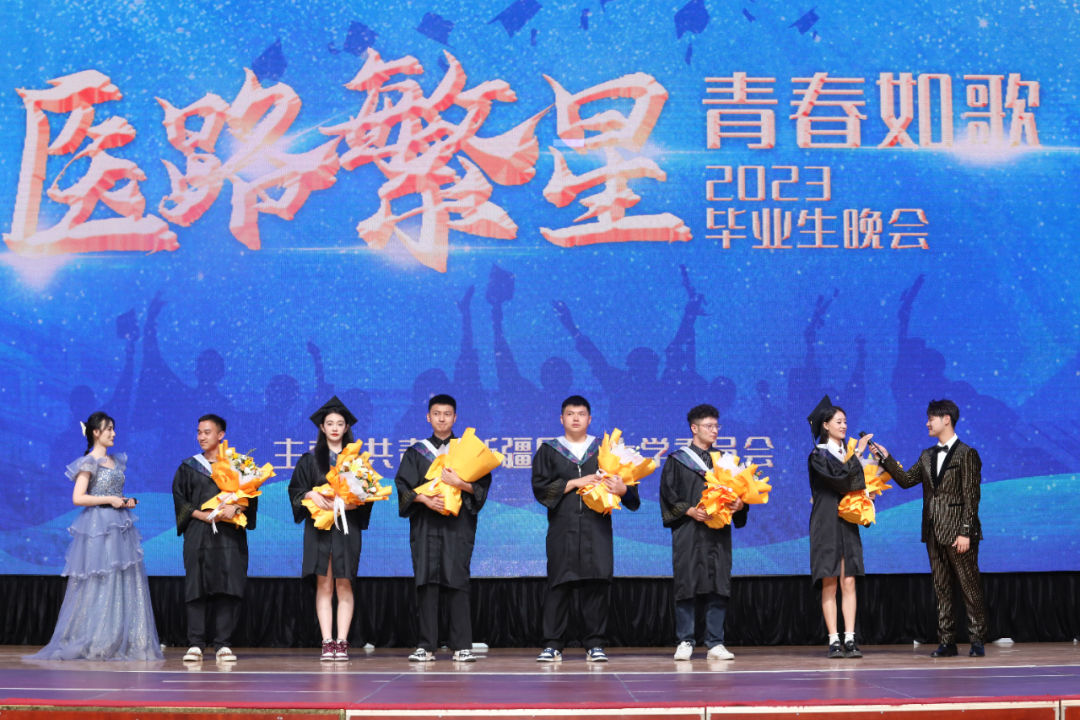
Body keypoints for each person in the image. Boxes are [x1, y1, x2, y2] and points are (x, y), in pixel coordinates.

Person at [29, 412, 162, 661]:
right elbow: (78, 498)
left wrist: (124, 501)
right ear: (95, 433)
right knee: (100, 579)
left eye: (113, 428)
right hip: (98, 526)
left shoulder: (116, 461)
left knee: (122, 578)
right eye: (108, 428)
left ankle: (120, 637)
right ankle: (98, 637)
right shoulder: (88, 462)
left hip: (120, 524)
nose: (113, 433)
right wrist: (109, 499)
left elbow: (112, 492)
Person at [532, 395, 640, 662]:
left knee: (597, 584)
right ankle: (553, 644)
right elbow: (540, 489)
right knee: (559, 584)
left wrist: (622, 489)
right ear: (562, 418)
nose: (576, 418)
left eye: (581, 414)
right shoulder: (549, 450)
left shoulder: (606, 450)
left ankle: (595, 643)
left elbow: (631, 495)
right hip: (563, 527)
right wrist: (574, 482)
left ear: (590, 419)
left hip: (596, 527)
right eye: (570, 414)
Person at [877, 398, 988, 657]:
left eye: (931, 419)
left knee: (969, 586)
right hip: (933, 531)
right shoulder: (927, 455)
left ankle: (977, 640)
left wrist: (965, 531)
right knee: (941, 588)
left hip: (959, 532)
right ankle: (947, 641)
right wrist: (886, 459)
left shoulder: (967, 454)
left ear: (946, 419)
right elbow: (906, 480)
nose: (927, 423)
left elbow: (972, 496)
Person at [394, 394, 492, 662]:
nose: (442, 418)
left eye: (447, 414)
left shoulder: (467, 450)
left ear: (455, 417)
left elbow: (481, 488)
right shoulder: (417, 452)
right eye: (436, 414)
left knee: (457, 581)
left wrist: (459, 483)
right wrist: (424, 499)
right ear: (428, 417)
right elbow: (403, 487)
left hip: (458, 525)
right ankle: (426, 645)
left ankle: (462, 645)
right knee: (426, 582)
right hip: (426, 524)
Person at [660, 404, 747, 661]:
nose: (714, 431)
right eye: (709, 426)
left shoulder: (726, 461)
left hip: (718, 532)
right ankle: (685, 640)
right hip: (688, 531)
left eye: (716, 426)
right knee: (686, 583)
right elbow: (667, 494)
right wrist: (689, 511)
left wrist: (740, 505)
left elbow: (740, 494)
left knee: (718, 584)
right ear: (694, 428)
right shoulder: (678, 460)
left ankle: (715, 642)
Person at [288, 396, 372, 661]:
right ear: (322, 428)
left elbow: (367, 495)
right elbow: (296, 491)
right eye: (330, 423)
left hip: (346, 527)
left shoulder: (356, 462)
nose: (335, 428)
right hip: (319, 528)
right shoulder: (309, 460)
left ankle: (342, 641)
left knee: (344, 583)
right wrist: (311, 495)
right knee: (324, 584)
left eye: (340, 423)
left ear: (346, 428)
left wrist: (350, 504)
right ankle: (327, 641)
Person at [172, 413, 255, 664]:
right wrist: (203, 515)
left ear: (221, 435)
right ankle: (195, 643)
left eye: (207, 432)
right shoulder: (189, 467)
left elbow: (251, 498)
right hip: (199, 533)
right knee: (196, 586)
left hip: (230, 534)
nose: (201, 437)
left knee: (228, 587)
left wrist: (236, 508)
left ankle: (222, 644)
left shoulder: (238, 465)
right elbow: (180, 501)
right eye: (199, 432)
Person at [806, 395, 874, 659]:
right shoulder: (817, 455)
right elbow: (840, 480)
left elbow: (854, 485)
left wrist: (867, 494)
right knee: (830, 581)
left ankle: (850, 638)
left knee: (849, 580)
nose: (844, 426)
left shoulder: (846, 454)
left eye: (845, 421)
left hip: (847, 523)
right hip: (826, 523)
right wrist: (857, 454)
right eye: (838, 421)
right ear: (825, 425)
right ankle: (834, 639)